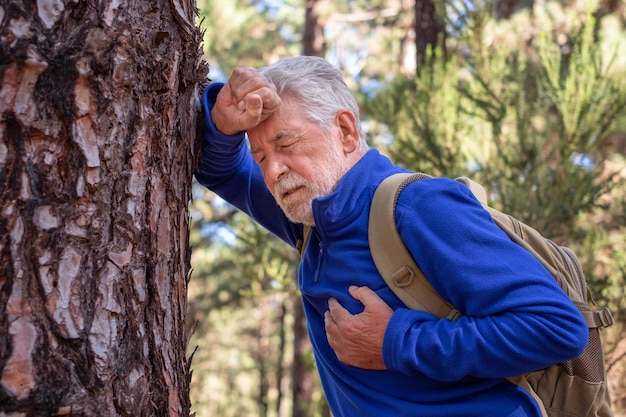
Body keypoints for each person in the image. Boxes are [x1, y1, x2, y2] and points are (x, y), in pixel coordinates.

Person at [195, 55, 588, 417]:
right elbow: (223, 170)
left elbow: (555, 328)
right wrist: (224, 121)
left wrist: (395, 343)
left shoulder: (418, 206)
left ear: (345, 132)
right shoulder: (314, 222)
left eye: (286, 143)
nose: (273, 170)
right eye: (261, 157)